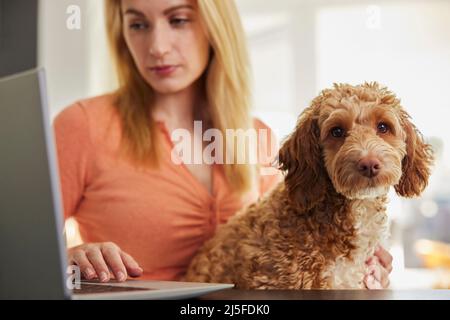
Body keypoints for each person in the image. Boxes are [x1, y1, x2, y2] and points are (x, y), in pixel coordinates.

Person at [53, 0, 392, 289]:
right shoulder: (82, 126)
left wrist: (354, 261)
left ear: (215, 25)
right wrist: (66, 260)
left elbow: (285, 249)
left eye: (178, 20)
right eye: (138, 24)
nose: (157, 46)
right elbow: (17, 254)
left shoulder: (256, 136)